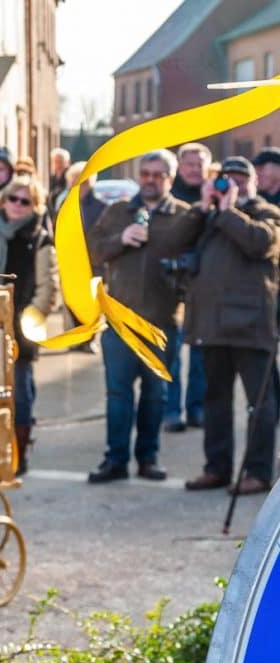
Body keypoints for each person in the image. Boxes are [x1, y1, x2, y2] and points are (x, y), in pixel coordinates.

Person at [86, 149, 203, 483]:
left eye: (157, 175)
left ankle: (148, 459)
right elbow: (93, 251)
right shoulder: (118, 211)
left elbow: (198, 263)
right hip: (120, 323)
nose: (150, 180)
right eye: (145, 174)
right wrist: (120, 239)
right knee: (118, 395)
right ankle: (115, 460)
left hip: (161, 323)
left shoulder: (184, 216)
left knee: (155, 395)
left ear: (170, 178)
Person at [184, 156, 280, 495]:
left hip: (252, 327)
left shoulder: (267, 213)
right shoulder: (207, 215)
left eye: (241, 180)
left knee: (260, 404)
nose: (233, 186)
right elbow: (176, 240)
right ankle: (217, 468)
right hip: (211, 325)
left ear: (253, 184)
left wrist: (228, 211)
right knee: (215, 401)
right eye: (227, 180)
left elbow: (261, 242)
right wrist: (203, 207)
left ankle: (257, 471)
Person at [0, 176, 59, 475]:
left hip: (20, 330)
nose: (18, 205)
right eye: (13, 199)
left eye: (26, 201)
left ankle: (17, 455)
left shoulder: (40, 239)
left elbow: (48, 290)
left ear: (35, 206)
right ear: (3, 201)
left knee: (20, 394)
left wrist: (27, 322)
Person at [163, 142, 211, 432]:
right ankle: (171, 411)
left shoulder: (215, 197)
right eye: (189, 164)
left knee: (200, 354)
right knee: (171, 352)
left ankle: (197, 408)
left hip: (205, 286)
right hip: (170, 286)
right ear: (179, 167)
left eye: (199, 165)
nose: (194, 169)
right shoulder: (167, 197)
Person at [56, 161, 107, 353]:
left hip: (93, 262)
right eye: (73, 180)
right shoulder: (65, 204)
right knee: (72, 301)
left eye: (82, 180)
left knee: (93, 303)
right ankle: (78, 337)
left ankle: (90, 339)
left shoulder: (101, 206)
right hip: (70, 261)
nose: (77, 184)